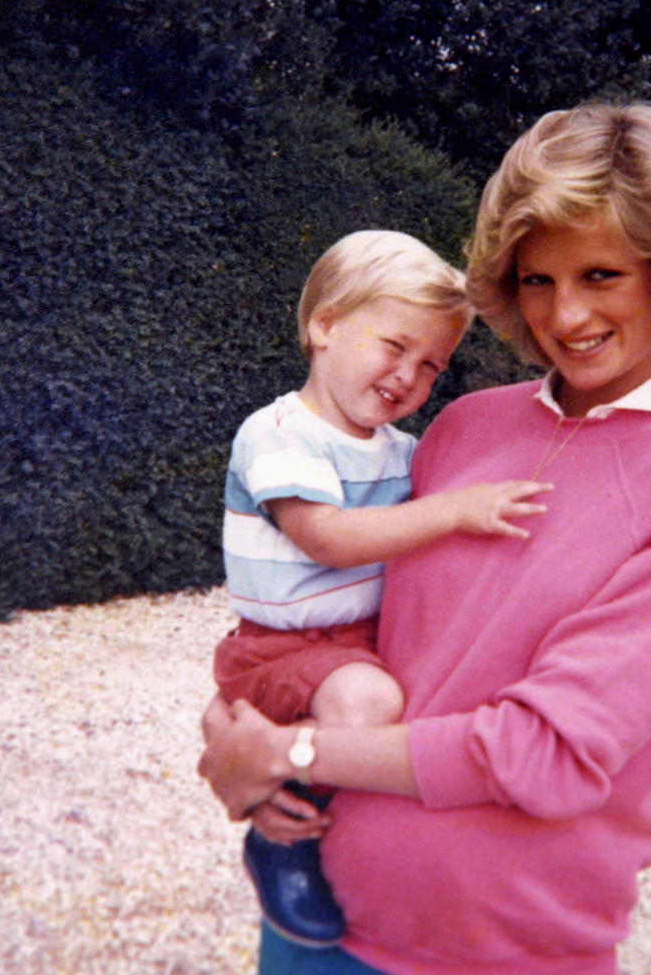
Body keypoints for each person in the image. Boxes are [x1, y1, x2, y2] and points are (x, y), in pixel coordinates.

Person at [198, 102, 651, 975]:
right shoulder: (463, 428)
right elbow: (324, 613)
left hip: (496, 950)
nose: (566, 314)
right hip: (315, 924)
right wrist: (233, 732)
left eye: (601, 274)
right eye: (538, 280)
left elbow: (546, 751)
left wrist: (293, 750)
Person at [217, 229, 552, 948]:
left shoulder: (405, 452)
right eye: (394, 346)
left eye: (431, 364)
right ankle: (284, 838)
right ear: (324, 325)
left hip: (353, 643)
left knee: (383, 697)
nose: (408, 375)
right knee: (369, 700)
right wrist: (456, 510)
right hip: (281, 648)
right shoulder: (279, 435)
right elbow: (328, 539)